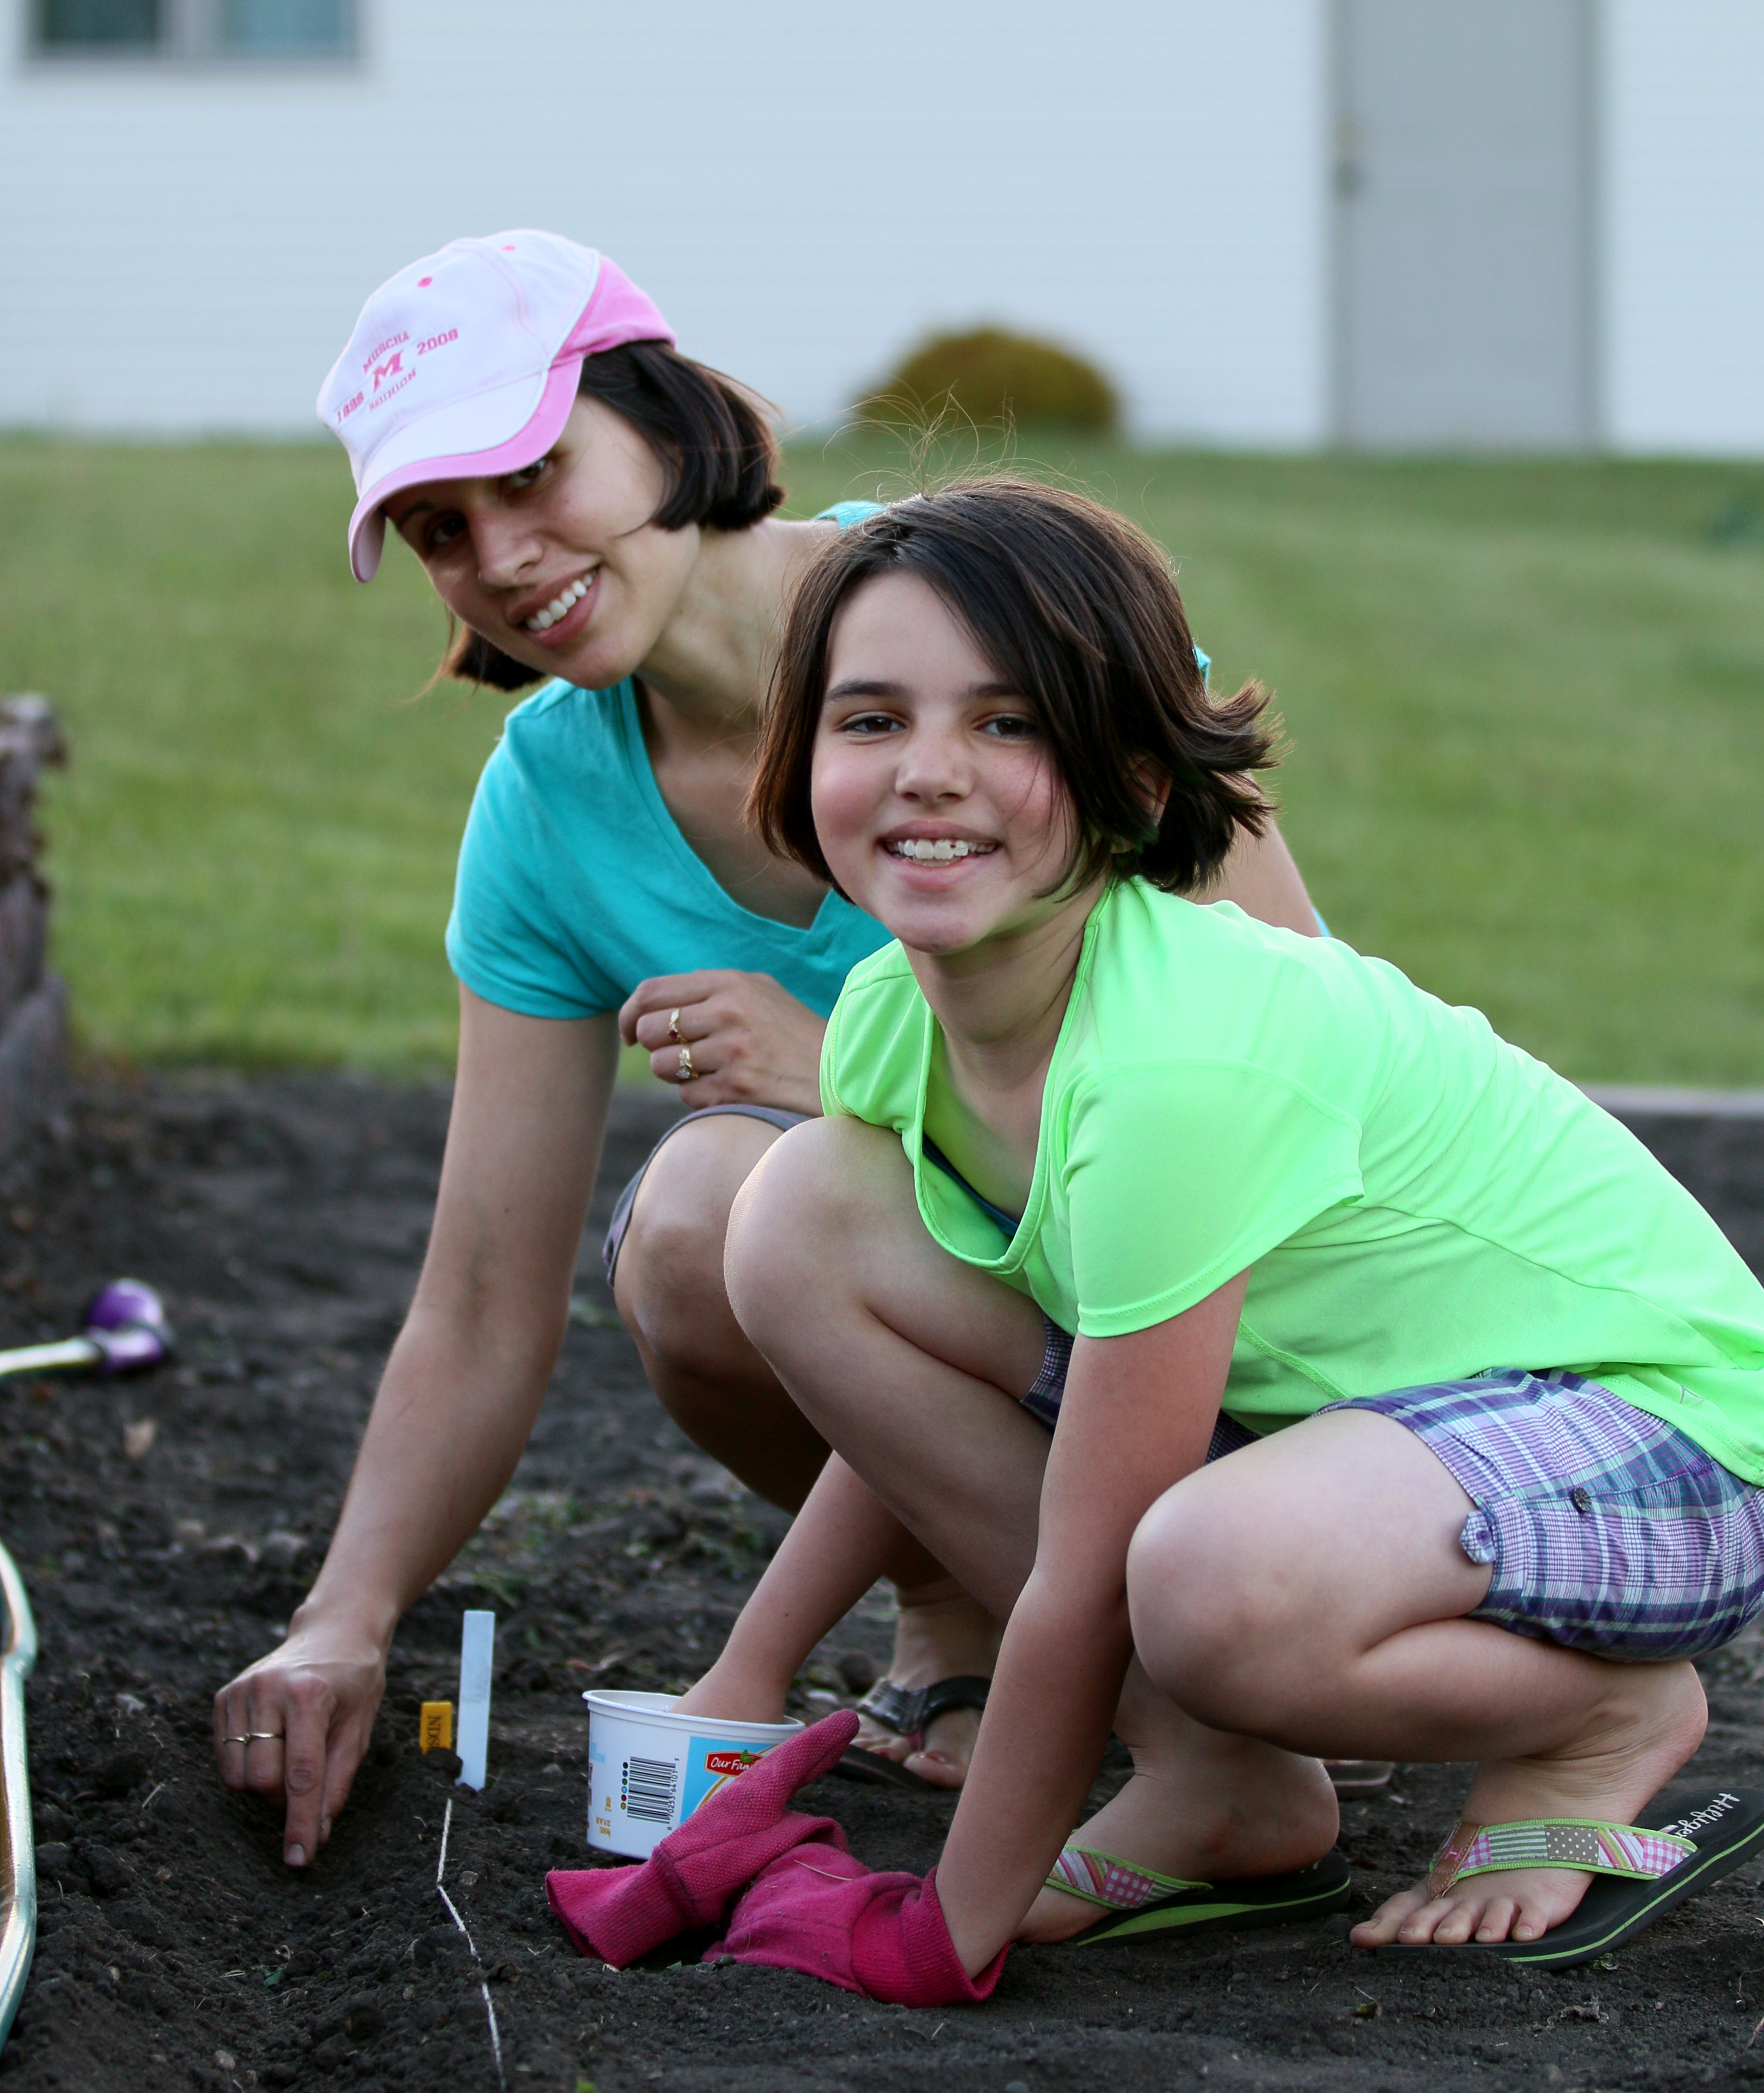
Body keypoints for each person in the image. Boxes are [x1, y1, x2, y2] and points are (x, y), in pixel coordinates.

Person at [603, 477, 1764, 1994]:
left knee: (1197, 1583)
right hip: (1368, 1426)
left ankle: (1593, 1721)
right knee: (794, 1221)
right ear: (796, 762)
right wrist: (745, 1678)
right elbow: (899, 1410)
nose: (929, 774)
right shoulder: (887, 1020)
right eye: (870, 720)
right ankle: (1217, 1783)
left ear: (1126, 771)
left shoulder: (1174, 1064)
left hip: (1664, 1432)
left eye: (1008, 723)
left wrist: (949, 1925)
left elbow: (1094, 1557)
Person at [211, 233, 1327, 1869]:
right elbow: (479, 1289)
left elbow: (1303, 1050)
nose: (503, 556)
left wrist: (858, 1080)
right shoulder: (549, 803)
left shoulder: (997, 612)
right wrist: (345, 1617)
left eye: (531, 473)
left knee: (781, 1179)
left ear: (661, 419)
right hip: (1008, 1344)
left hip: (1249, 1338)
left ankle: (1226, 1652)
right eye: (445, 532)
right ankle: (987, 1618)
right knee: (693, 1223)